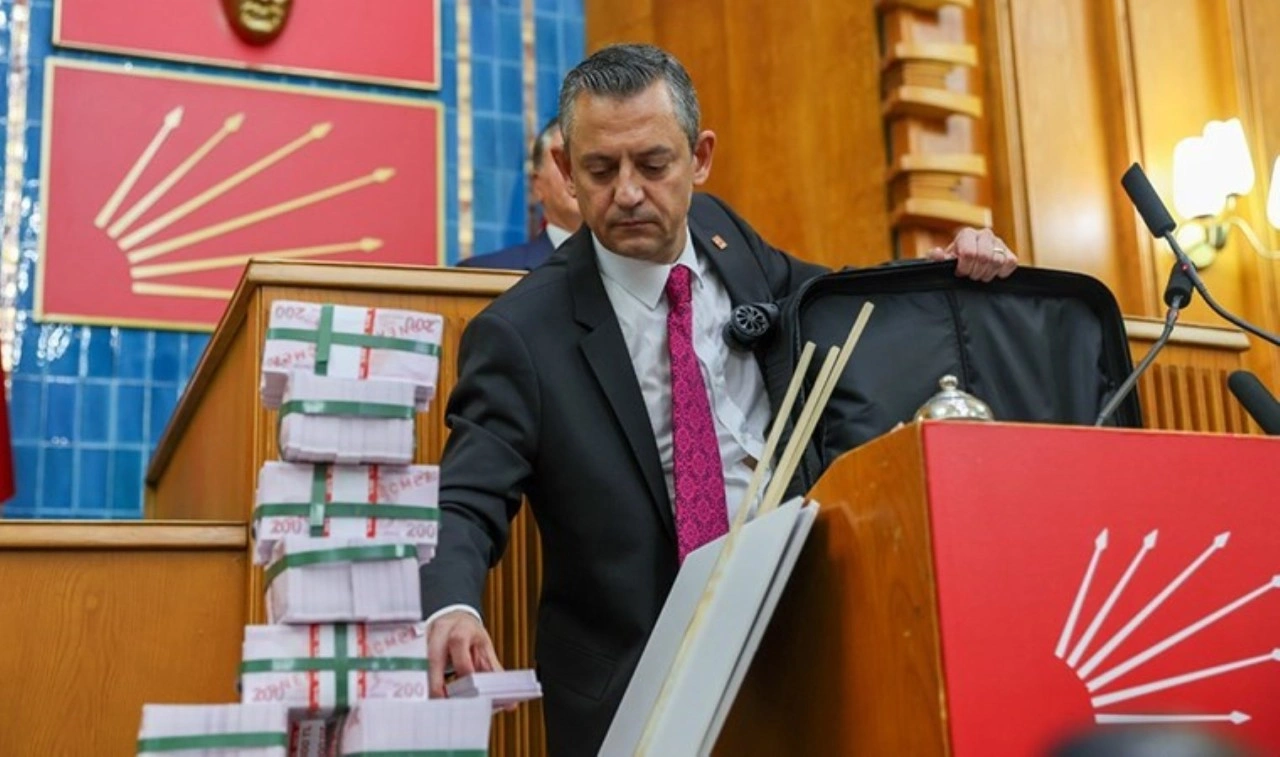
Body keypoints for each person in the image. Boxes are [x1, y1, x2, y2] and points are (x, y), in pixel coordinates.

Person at [421, 43, 1018, 755]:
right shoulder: (522, 333)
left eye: (653, 164)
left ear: (699, 158)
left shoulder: (726, 238)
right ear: (565, 170)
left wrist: (940, 269)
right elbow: (465, 498)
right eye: (601, 170)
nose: (628, 193)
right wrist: (450, 606)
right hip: (640, 682)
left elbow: (835, 298)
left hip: (797, 631)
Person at [460, 117, 583, 270]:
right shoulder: (485, 272)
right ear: (537, 186)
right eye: (566, 160)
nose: (578, 173)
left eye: (591, 162)